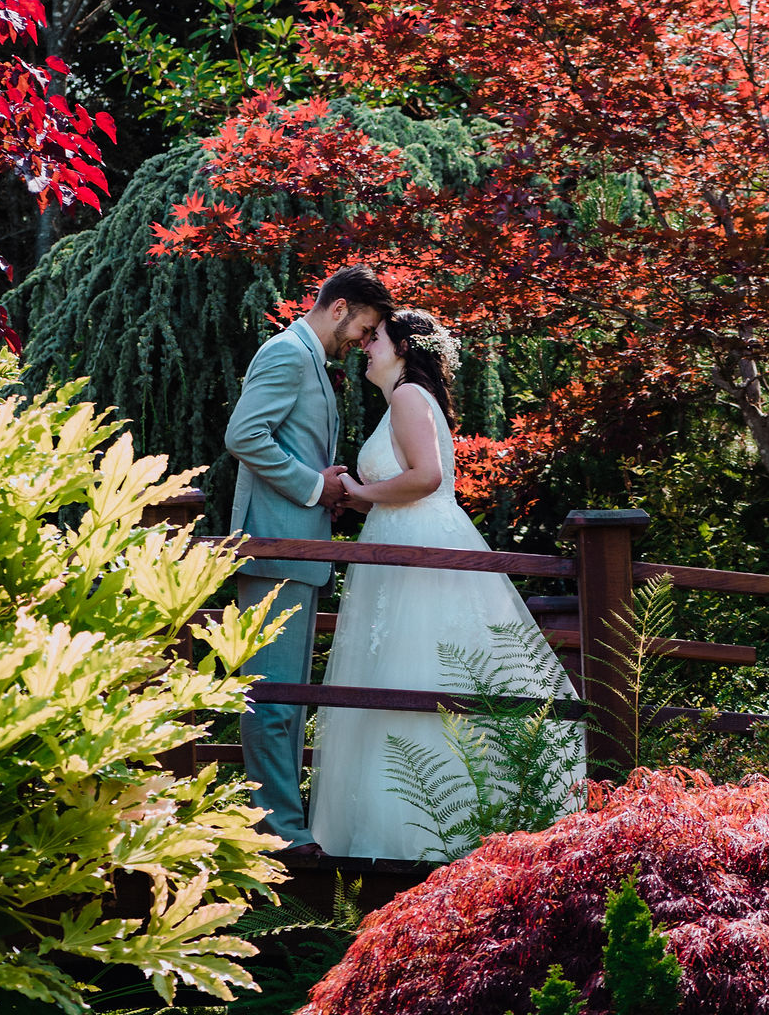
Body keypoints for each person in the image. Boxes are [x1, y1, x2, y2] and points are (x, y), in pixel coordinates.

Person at [308, 309, 584, 861]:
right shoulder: (403, 399)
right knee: (402, 670)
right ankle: (425, 821)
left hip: (418, 545)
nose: (366, 344)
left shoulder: (409, 396)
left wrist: (359, 493)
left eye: (376, 337)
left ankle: (422, 835)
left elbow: (427, 476)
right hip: (401, 542)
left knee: (420, 667)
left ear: (405, 349)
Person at [225, 264, 393, 860]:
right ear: (341, 306)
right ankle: (275, 833)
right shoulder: (288, 354)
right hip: (275, 550)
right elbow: (244, 435)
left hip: (299, 547)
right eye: (364, 327)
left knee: (287, 695)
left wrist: (330, 492)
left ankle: (281, 826)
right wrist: (313, 489)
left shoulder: (309, 361)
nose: (361, 342)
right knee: (271, 694)